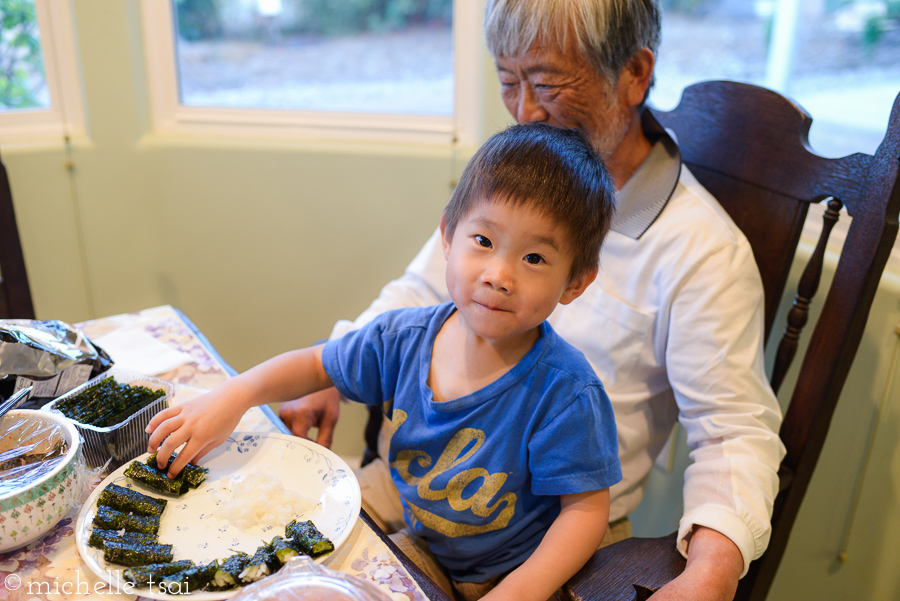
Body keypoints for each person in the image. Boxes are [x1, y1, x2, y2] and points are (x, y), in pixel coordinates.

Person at [278, 1, 786, 600]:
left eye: (547, 83)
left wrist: (711, 570)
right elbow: (420, 292)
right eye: (508, 82)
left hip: (551, 538)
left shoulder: (702, 250)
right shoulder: (518, 177)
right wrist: (332, 367)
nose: (525, 112)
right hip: (417, 489)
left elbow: (732, 432)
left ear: (634, 74)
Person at [148, 122, 623, 601]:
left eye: (535, 258)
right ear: (447, 236)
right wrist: (234, 395)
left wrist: (518, 592)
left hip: (525, 575)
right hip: (428, 549)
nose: (499, 275)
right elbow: (316, 366)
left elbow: (584, 513)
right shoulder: (404, 338)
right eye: (483, 241)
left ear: (575, 281)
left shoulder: (566, 393)